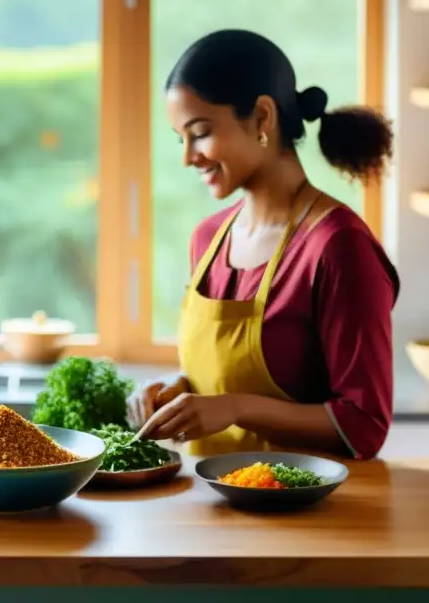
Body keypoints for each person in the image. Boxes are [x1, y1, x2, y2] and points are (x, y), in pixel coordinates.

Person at [127, 28, 399, 461]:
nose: (187, 157)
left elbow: (363, 426)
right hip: (211, 509)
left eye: (199, 133)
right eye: (180, 138)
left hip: (309, 515)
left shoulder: (338, 248)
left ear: (262, 118)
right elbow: (224, 378)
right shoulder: (207, 239)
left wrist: (235, 408)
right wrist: (179, 393)